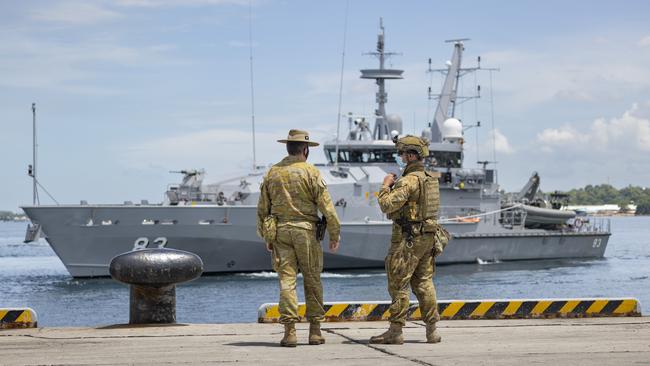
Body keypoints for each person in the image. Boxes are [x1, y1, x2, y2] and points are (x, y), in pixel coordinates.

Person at [257, 129, 341, 347]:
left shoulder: (272, 173)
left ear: (287, 148)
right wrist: (334, 233)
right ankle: (315, 331)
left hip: (281, 232)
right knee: (312, 280)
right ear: (305, 150)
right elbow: (327, 207)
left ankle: (290, 332)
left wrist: (268, 236)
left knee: (287, 281)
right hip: (306, 232)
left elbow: (263, 209)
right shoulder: (311, 172)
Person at [369, 135, 442, 345]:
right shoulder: (430, 179)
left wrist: (385, 185)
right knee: (424, 283)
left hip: (407, 240)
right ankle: (432, 331)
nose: (399, 157)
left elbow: (387, 205)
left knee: (399, 284)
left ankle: (395, 331)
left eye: (401, 154)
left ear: (411, 155)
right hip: (427, 238)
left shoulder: (408, 180)